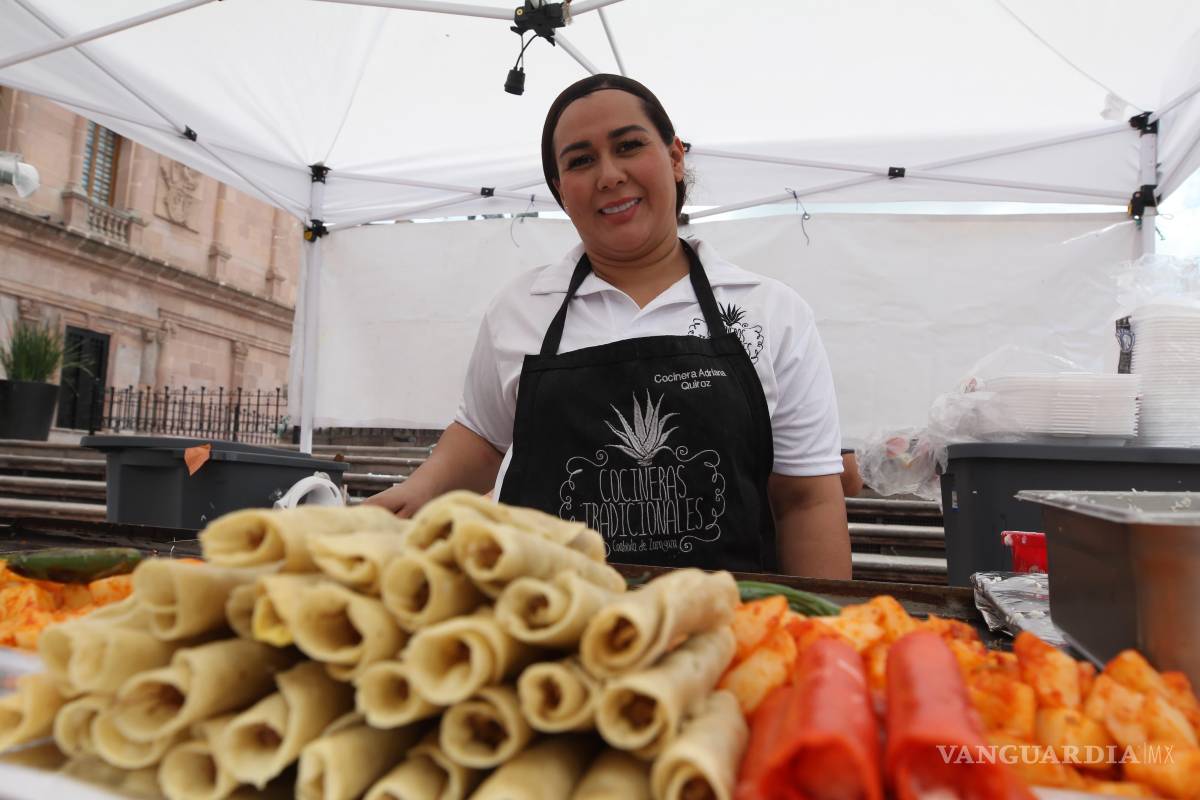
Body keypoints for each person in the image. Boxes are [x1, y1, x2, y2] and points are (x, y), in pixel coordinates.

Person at [366, 74, 850, 579]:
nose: (610, 175)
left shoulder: (772, 312)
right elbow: (483, 439)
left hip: (723, 619)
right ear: (560, 190)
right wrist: (417, 491)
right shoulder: (521, 309)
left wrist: (827, 620)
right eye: (580, 160)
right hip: (542, 614)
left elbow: (805, 499)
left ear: (675, 157)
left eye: (628, 146)